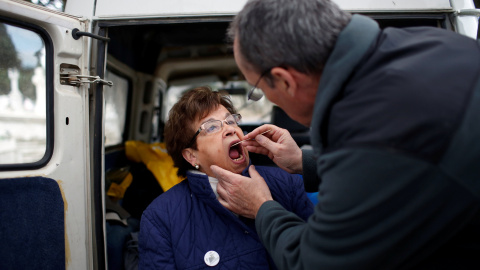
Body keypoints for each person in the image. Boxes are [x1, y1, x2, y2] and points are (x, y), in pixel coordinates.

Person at [210, 0, 480, 269]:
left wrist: (261, 207)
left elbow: (316, 263)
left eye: (258, 90)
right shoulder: (434, 42)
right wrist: (306, 162)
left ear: (285, 81)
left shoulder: (375, 134)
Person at [138, 86, 314, 269]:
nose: (230, 129)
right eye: (212, 127)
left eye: (231, 121)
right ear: (192, 156)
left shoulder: (288, 182)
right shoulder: (159, 217)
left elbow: (323, 254)